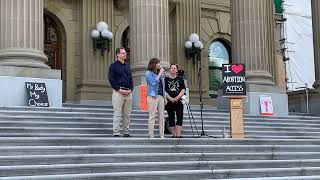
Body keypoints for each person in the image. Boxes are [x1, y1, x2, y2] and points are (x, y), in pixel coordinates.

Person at [108, 47, 133, 137]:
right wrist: (119, 89)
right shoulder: (113, 66)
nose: (125, 54)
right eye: (123, 53)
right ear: (118, 54)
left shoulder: (127, 66)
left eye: (125, 53)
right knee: (118, 113)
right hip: (118, 92)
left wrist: (131, 89)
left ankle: (126, 132)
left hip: (128, 92)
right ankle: (116, 132)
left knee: (127, 114)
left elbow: (131, 79)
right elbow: (111, 80)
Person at [145, 58, 166, 138]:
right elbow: (153, 82)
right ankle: (151, 134)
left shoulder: (160, 74)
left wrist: (165, 98)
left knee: (161, 116)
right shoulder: (148, 73)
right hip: (152, 96)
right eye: (158, 63)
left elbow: (163, 86)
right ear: (153, 64)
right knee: (152, 115)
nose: (159, 64)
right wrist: (160, 73)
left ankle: (162, 134)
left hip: (161, 96)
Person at [165, 64, 186, 138]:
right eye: (172, 68)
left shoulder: (180, 79)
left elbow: (183, 89)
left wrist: (177, 97)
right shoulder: (166, 79)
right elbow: (165, 91)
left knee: (179, 116)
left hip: (179, 100)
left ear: (176, 70)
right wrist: (170, 98)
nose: (173, 69)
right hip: (169, 101)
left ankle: (178, 135)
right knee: (171, 117)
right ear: (170, 70)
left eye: (174, 68)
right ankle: (174, 135)